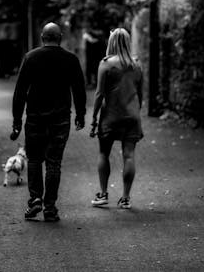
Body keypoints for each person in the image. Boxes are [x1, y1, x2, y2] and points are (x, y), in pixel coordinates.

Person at [10, 22, 86, 221]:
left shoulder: (31, 57)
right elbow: (79, 89)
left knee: (34, 159)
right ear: (59, 37)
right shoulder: (70, 59)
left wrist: (17, 120)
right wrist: (81, 114)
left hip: (35, 118)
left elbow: (20, 91)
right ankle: (50, 207)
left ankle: (35, 199)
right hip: (60, 119)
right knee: (54, 162)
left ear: (42, 38)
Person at [90, 28, 143, 209]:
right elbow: (140, 94)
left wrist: (94, 119)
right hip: (132, 116)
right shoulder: (136, 65)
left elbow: (99, 94)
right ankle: (126, 198)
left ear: (111, 42)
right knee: (129, 156)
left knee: (104, 153)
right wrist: (137, 111)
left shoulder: (106, 64)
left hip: (111, 116)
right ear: (128, 42)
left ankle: (103, 194)